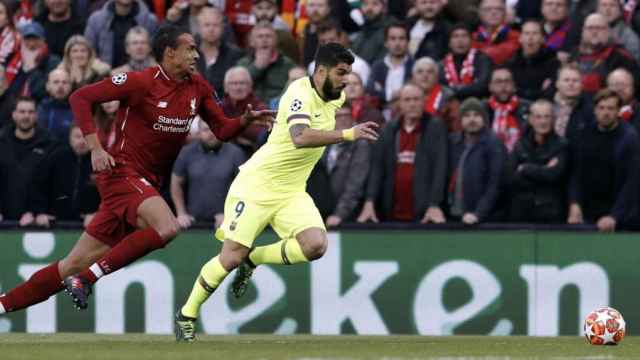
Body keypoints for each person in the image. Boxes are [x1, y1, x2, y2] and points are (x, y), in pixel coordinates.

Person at [0, 25, 275, 314]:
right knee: (167, 227)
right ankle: (87, 279)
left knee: (71, 264)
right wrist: (95, 147)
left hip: (144, 186)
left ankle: (4, 304)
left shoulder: (198, 87)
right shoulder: (140, 82)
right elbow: (80, 98)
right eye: (189, 48)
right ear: (170, 53)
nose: (196, 54)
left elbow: (221, 129)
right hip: (120, 173)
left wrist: (244, 120)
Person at [174, 42, 379, 342]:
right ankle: (186, 315)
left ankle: (254, 259)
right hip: (256, 186)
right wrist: (348, 133)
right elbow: (299, 137)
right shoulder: (299, 91)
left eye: (348, 73)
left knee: (315, 245)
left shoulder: (337, 98)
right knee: (229, 257)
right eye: (340, 72)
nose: (345, 79)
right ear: (320, 71)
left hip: (291, 191)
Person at [357, 83, 447, 224]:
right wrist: (370, 200)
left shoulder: (435, 127)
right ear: (400, 104)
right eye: (407, 100)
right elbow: (377, 168)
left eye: (416, 99)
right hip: (391, 212)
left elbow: (440, 168)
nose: (412, 104)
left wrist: (434, 203)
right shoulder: (388, 130)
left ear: (424, 101)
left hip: (425, 214)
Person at [568, 88, 640, 232]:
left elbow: (632, 182)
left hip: (620, 217)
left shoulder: (629, 138)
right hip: (589, 213)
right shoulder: (585, 134)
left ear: (618, 111)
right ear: (595, 110)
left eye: (611, 108)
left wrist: (614, 216)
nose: (606, 113)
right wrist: (574, 202)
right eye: (601, 108)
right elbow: (575, 171)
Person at [171, 121, 246, 229]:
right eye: (206, 130)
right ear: (198, 132)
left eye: (214, 129)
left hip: (225, 223)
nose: (211, 133)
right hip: (193, 224)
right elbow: (176, 183)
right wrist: (181, 213)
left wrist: (232, 215)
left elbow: (245, 188)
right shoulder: (186, 152)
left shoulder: (235, 153)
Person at [447, 97, 506, 224]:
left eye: (476, 115)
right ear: (461, 120)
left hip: (482, 219)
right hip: (454, 215)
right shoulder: (453, 142)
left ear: (484, 119)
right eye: (467, 116)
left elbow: (495, 185)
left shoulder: (494, 145)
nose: (472, 119)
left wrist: (478, 214)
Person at [509, 100, 569, 223]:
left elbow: (553, 175)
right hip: (521, 211)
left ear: (553, 119)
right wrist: (543, 169)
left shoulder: (562, 145)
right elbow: (511, 178)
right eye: (538, 117)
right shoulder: (520, 145)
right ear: (530, 119)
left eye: (547, 117)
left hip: (551, 212)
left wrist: (525, 168)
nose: (543, 121)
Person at [0, 96, 57, 223]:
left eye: (30, 112)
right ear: (14, 115)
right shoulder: (1, 142)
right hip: (4, 220)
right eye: (22, 112)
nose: (26, 116)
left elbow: (53, 184)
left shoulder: (49, 144)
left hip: (38, 221)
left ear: (36, 115)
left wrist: (40, 213)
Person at [37, 68, 74, 140]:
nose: (60, 86)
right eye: (56, 82)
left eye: (64, 82)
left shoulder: (78, 109)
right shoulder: (41, 109)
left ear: (70, 86)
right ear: (47, 86)